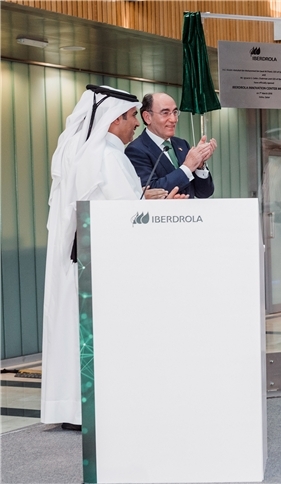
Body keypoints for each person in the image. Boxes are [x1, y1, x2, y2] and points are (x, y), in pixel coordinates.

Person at [41, 86, 185, 431]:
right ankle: (91, 411)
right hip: (99, 266)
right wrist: (160, 205)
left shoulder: (83, 153)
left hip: (79, 263)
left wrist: (144, 198)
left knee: (73, 334)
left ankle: (74, 409)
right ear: (113, 118)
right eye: (132, 116)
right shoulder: (107, 155)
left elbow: (111, 204)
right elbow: (125, 216)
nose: (135, 123)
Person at [126, 93, 216, 198]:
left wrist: (199, 165)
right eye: (165, 113)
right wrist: (187, 167)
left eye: (175, 112)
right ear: (147, 117)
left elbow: (204, 193)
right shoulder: (136, 150)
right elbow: (151, 192)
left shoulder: (182, 144)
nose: (173, 119)